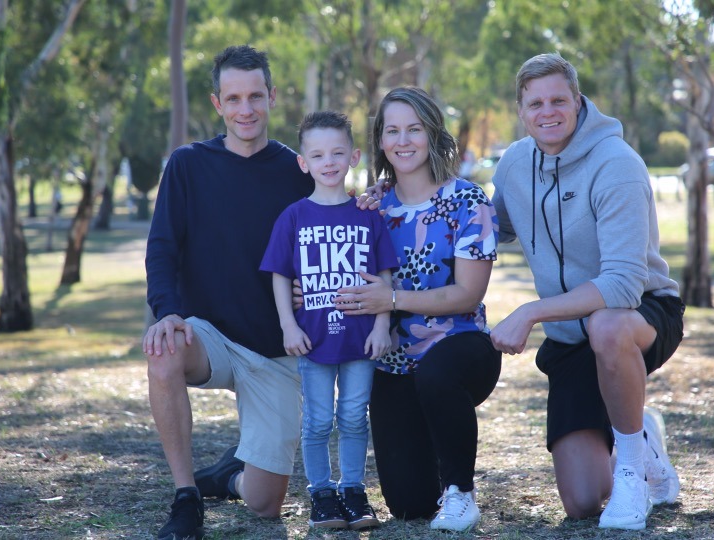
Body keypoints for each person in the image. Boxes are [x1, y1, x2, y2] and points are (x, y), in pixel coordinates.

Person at [488, 53, 684, 531]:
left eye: (559, 99)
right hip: (570, 340)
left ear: (577, 102)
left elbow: (621, 284)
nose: (547, 111)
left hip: (640, 313)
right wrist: (390, 205)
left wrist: (531, 311)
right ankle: (643, 433)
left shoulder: (616, 163)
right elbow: (486, 231)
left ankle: (634, 468)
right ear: (521, 110)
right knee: (580, 502)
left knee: (607, 324)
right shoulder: (514, 164)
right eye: (535, 103)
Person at [142, 44, 313, 540]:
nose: (246, 109)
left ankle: (229, 476)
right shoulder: (187, 165)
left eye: (255, 96)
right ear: (218, 103)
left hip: (275, 349)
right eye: (233, 98)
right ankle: (186, 497)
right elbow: (161, 250)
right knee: (163, 349)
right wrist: (167, 313)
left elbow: (328, 232)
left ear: (272, 97)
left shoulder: (296, 171)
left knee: (265, 505)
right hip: (209, 336)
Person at [337, 87, 502, 532]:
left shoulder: (468, 201)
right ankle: (433, 457)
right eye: (392, 130)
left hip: (461, 349)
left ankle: (460, 493)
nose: (403, 140)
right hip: (394, 363)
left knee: (436, 373)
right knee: (409, 506)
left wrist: (392, 300)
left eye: (414, 128)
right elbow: (344, 279)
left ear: (432, 134)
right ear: (380, 140)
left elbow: (468, 294)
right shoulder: (371, 208)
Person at [260, 111, 397, 531]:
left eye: (338, 152)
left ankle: (353, 490)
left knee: (354, 416)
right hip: (313, 340)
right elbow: (281, 275)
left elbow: (385, 275)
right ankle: (322, 494)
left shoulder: (367, 215)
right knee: (319, 420)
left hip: (360, 338)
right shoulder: (294, 216)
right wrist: (288, 325)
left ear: (353, 156)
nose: (329, 162)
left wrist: (380, 326)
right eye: (318, 155)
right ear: (304, 163)